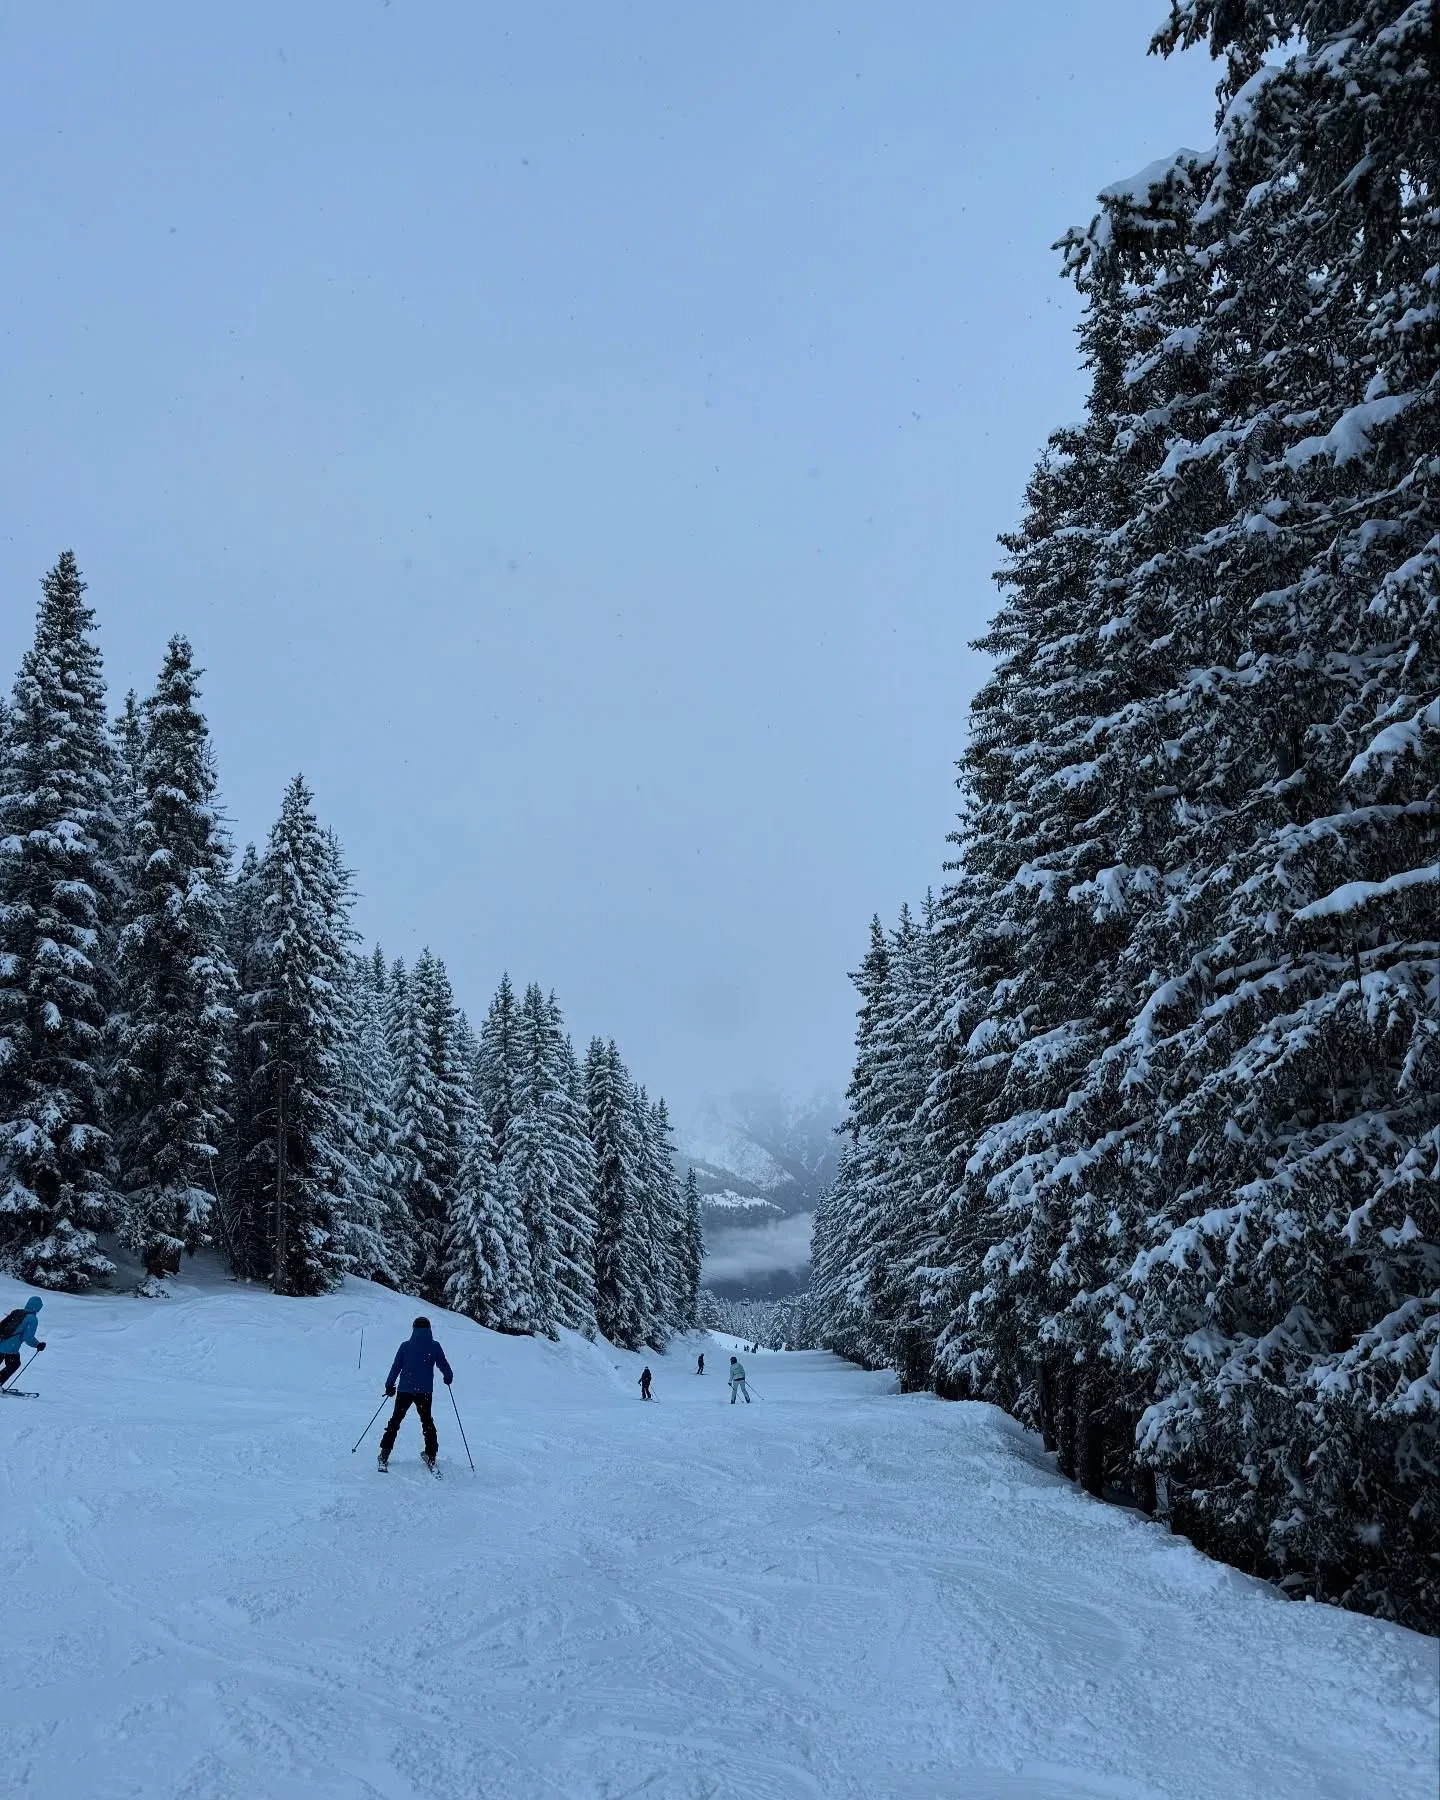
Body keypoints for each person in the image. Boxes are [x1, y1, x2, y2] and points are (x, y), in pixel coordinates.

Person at [378, 1316, 453, 1471]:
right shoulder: (435, 1346)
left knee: (395, 1421)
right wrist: (448, 1376)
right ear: (429, 1329)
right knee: (427, 1422)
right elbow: (443, 1364)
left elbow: (396, 1366)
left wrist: (389, 1385)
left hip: (405, 1391)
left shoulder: (405, 1346)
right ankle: (431, 1456)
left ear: (414, 1329)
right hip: (424, 1392)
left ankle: (384, 1455)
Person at [0, 1296, 45, 1388]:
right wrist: (38, 1344)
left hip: (1, 1341)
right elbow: (28, 1337)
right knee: (14, 1364)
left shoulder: (18, 1312)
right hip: (10, 1347)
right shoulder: (32, 1319)